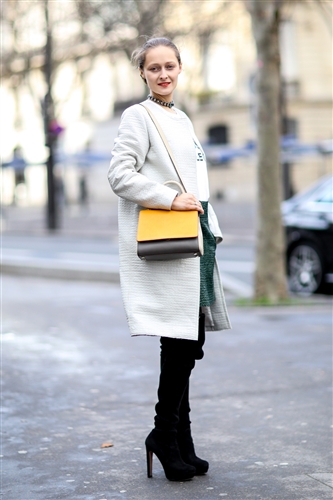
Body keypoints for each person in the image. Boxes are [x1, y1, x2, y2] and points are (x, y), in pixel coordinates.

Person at [108, 37, 231, 482]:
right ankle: (163, 434)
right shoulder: (137, 116)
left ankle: (181, 440)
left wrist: (206, 220)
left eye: (170, 66)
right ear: (142, 72)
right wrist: (170, 199)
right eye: (154, 67)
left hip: (195, 239)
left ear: (180, 69)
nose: (163, 74)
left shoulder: (180, 115)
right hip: (170, 241)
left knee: (189, 343)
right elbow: (119, 175)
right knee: (179, 343)